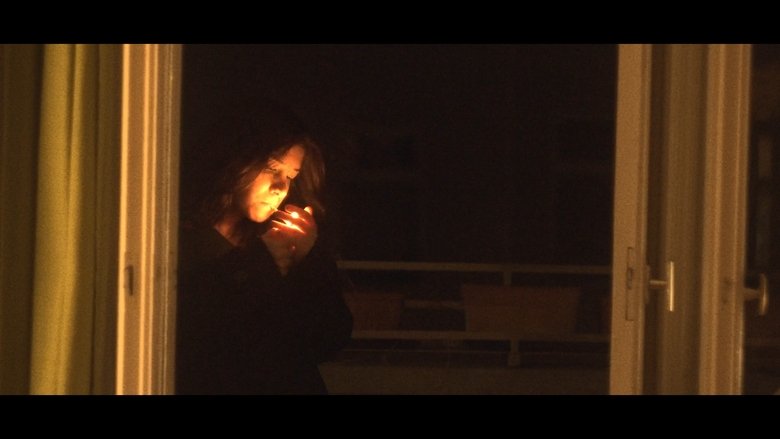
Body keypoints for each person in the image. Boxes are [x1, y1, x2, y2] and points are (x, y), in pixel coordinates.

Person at [175, 99, 353, 394]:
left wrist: (310, 261)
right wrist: (259, 265)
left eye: (291, 176)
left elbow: (330, 338)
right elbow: (208, 339)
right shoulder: (178, 241)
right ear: (236, 160)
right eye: (272, 169)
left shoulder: (284, 240)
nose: (281, 187)